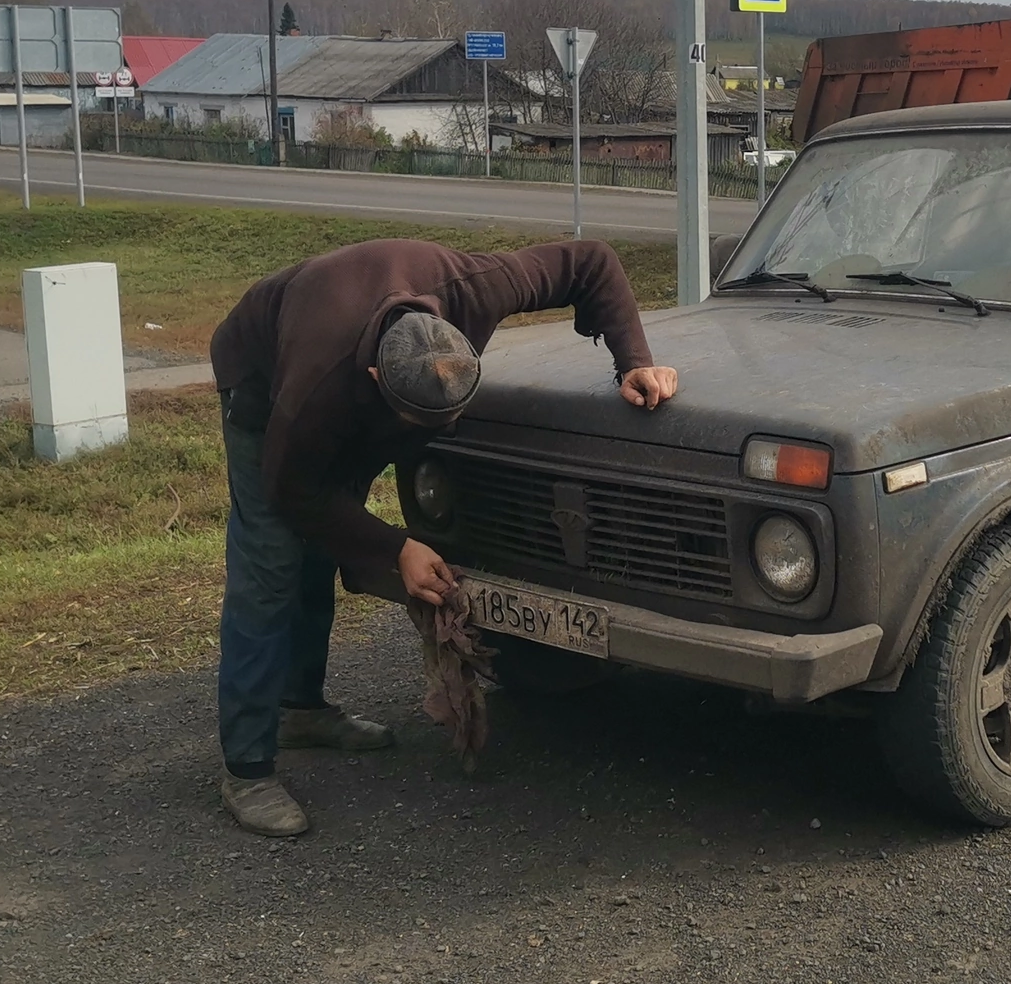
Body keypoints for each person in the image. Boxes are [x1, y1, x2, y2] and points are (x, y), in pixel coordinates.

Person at [206, 237, 681, 838]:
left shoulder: (478, 290)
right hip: (260, 378)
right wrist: (395, 548)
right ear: (376, 379)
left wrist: (632, 359)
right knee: (271, 566)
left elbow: (592, 261)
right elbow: (291, 490)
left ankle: (300, 711)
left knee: (323, 545)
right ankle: (247, 768)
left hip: (347, 374)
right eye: (418, 423)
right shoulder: (314, 389)